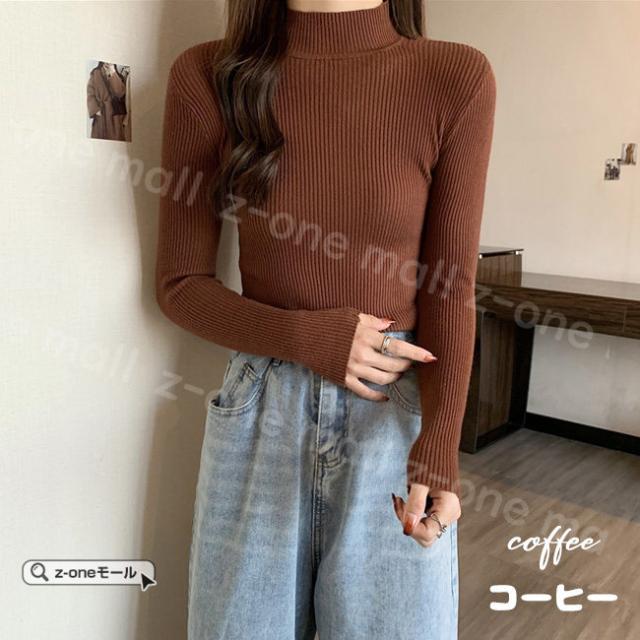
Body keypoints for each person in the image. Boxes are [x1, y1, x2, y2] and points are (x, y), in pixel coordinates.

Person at [155, 1, 496, 638]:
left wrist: (438, 452)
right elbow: (180, 286)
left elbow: (450, 290)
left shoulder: (454, 76)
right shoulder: (209, 74)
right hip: (263, 407)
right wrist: (308, 336)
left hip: (393, 408)